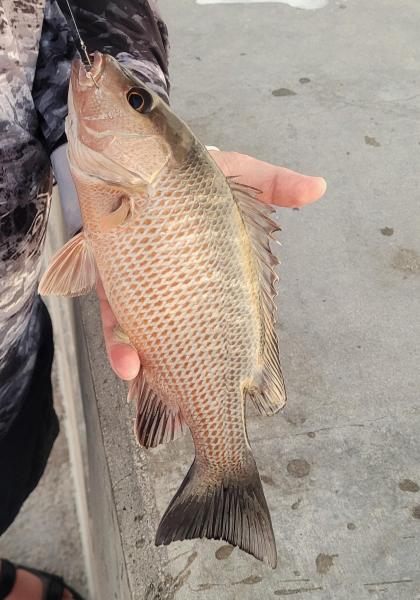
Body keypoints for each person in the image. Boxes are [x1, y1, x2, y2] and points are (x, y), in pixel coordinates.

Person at [0, 0, 326, 598]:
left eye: (136, 105)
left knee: (5, 479)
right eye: (137, 101)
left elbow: (80, 17)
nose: (110, 80)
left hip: (9, 354)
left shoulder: (121, 150)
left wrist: (130, 84)